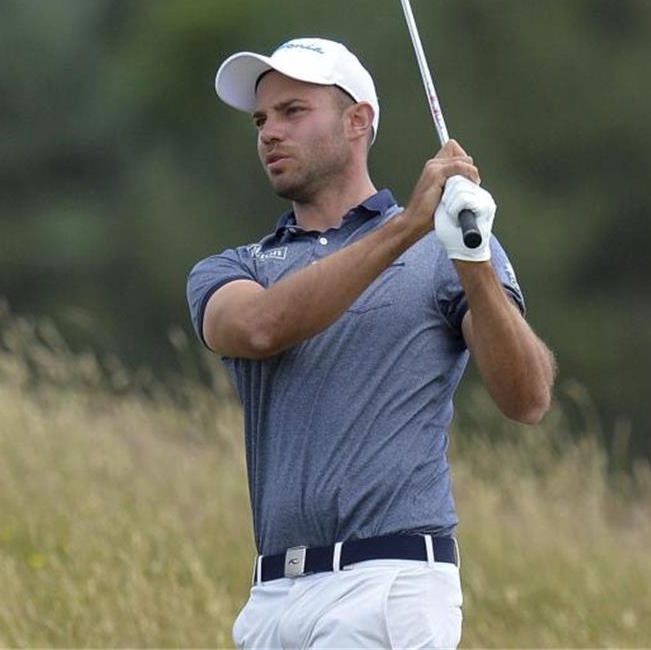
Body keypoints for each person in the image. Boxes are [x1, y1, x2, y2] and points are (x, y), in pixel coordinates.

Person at [186, 37, 555, 648]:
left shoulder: (447, 248)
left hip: (390, 582)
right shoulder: (235, 267)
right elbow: (258, 328)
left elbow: (527, 398)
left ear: (358, 120)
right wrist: (410, 227)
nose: (269, 133)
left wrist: (473, 259)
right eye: (261, 119)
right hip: (272, 597)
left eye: (293, 111)